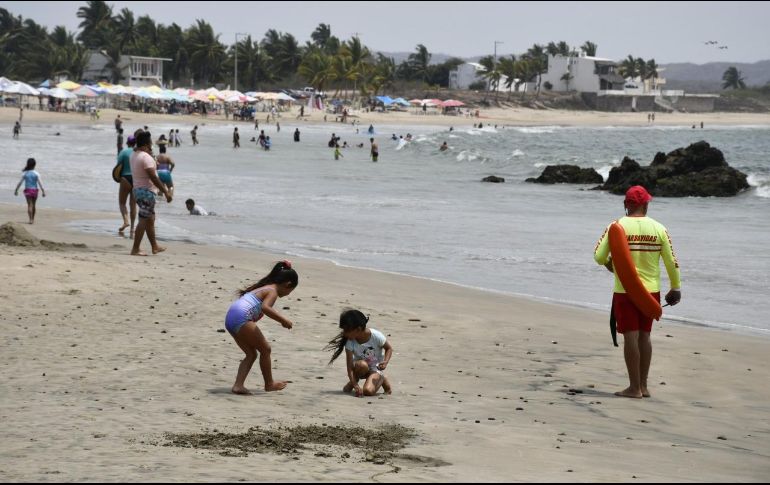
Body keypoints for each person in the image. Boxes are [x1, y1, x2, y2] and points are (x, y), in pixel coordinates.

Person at [593, 185, 681, 399]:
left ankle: (633, 389)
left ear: (626, 204)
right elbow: (671, 261)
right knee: (645, 336)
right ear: (646, 204)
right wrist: (675, 287)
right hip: (651, 291)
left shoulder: (616, 226)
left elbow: (598, 256)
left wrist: (609, 263)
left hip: (625, 291)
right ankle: (643, 386)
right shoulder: (659, 228)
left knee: (630, 337)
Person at [225, 261, 297, 394]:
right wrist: (283, 320)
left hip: (230, 318)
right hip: (241, 318)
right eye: (290, 291)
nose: (288, 294)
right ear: (288, 285)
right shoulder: (272, 291)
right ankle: (269, 384)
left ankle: (238, 385)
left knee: (251, 354)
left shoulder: (263, 287)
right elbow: (265, 307)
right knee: (266, 349)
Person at [324, 309, 393, 397]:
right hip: (360, 368)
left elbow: (389, 348)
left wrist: (385, 362)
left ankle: (381, 378)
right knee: (362, 365)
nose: (344, 334)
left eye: (346, 331)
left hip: (375, 368)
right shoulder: (350, 342)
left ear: (358, 329)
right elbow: (349, 367)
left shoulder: (376, 336)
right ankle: (354, 381)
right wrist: (355, 385)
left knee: (368, 391)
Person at [129, 131, 173, 256]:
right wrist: (166, 192)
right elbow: (153, 177)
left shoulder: (134, 155)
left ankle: (154, 246)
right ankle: (135, 248)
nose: (151, 145)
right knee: (143, 219)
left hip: (138, 190)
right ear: (146, 144)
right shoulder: (145, 157)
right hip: (146, 192)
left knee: (150, 219)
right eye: (150, 143)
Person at [117, 134, 138, 237]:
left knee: (122, 203)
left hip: (125, 178)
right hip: (135, 179)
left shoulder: (123, 152)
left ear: (127, 142)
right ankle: (132, 228)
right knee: (133, 205)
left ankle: (126, 221)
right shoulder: (138, 153)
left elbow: (118, 166)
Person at [14, 158, 46, 224]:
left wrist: (16, 190)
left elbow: (20, 182)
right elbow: (40, 183)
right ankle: (33, 219)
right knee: (34, 205)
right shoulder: (36, 173)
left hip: (28, 191)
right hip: (35, 191)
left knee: (29, 205)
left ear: (27, 164)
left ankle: (30, 219)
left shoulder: (25, 173)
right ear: (35, 165)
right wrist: (43, 191)